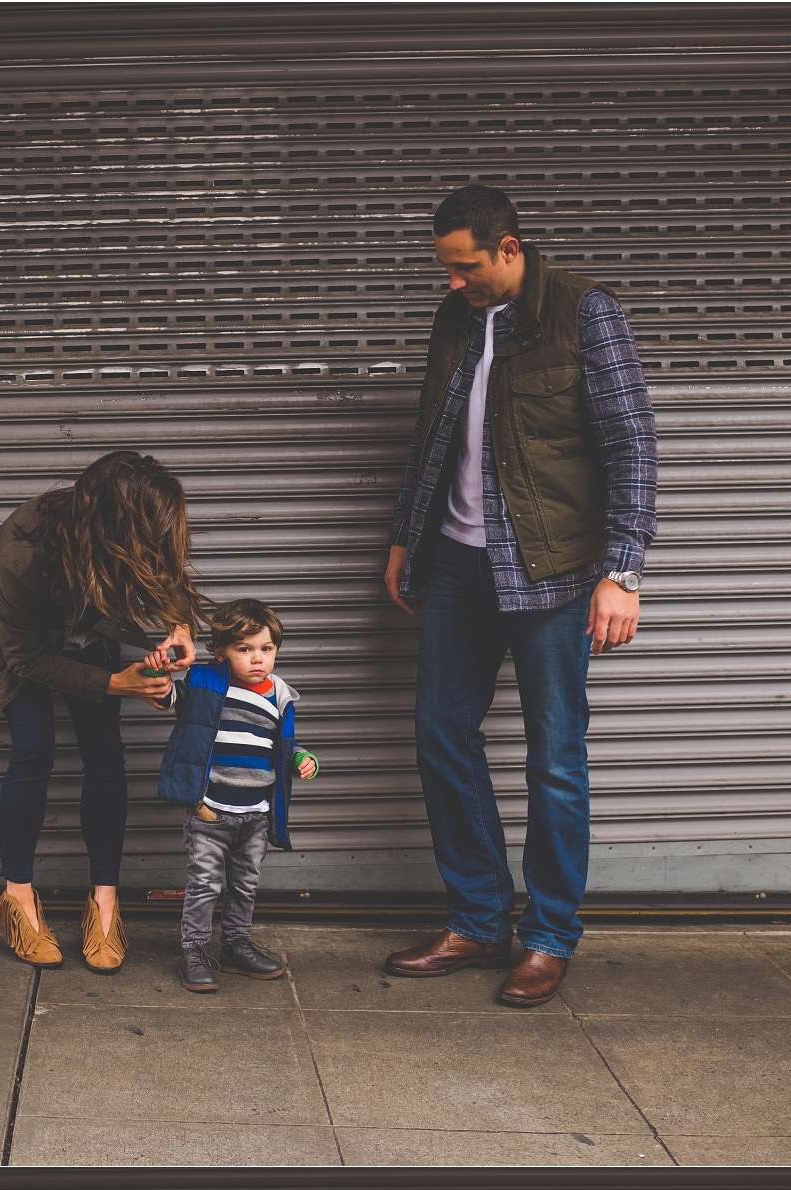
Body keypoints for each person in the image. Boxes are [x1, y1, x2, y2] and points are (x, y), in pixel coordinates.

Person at [382, 181, 657, 1005]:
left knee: (555, 760)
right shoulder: (455, 317)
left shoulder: (582, 312)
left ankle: (546, 936)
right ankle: (474, 917)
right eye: (444, 269)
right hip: (460, 565)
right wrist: (406, 536)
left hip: (554, 568)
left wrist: (622, 571)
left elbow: (630, 444)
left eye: (464, 267)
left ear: (508, 250)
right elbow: (432, 433)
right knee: (440, 733)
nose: (452, 282)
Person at [0, 450, 203, 972]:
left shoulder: (126, 533)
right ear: (111, 530)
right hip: (15, 641)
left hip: (87, 625)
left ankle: (105, 906)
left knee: (105, 752)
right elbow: (24, 657)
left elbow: (168, 569)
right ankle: (18, 901)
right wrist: (118, 682)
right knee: (34, 748)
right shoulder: (26, 548)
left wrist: (181, 627)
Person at [154, 600, 320, 991]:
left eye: (266, 649)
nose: (257, 659)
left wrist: (301, 758)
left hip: (256, 815)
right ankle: (194, 951)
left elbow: (282, 745)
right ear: (220, 652)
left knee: (245, 885)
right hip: (211, 812)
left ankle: (235, 945)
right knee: (205, 885)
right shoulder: (204, 683)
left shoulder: (279, 695)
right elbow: (164, 696)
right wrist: (156, 669)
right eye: (244, 650)